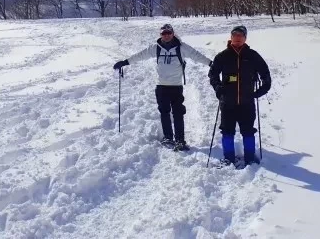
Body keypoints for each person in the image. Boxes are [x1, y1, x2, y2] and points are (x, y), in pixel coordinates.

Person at [114, 23, 212, 151]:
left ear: (173, 33)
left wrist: (211, 63)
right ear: (160, 35)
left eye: (168, 33)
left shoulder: (182, 47)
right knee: (164, 112)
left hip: (176, 86)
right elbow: (141, 55)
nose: (166, 36)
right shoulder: (156, 48)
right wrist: (125, 62)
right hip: (161, 86)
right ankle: (168, 137)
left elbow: (196, 55)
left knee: (178, 113)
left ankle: (180, 140)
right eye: (163, 33)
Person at [208, 25, 271, 165]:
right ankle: (228, 158)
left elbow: (265, 73)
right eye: (234, 36)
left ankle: (250, 157)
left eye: (240, 36)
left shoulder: (253, 55)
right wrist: (218, 88)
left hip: (247, 102)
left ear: (245, 38)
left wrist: (264, 88)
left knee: (248, 132)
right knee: (227, 132)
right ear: (230, 38)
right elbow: (212, 74)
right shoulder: (222, 56)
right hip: (227, 102)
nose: (237, 39)